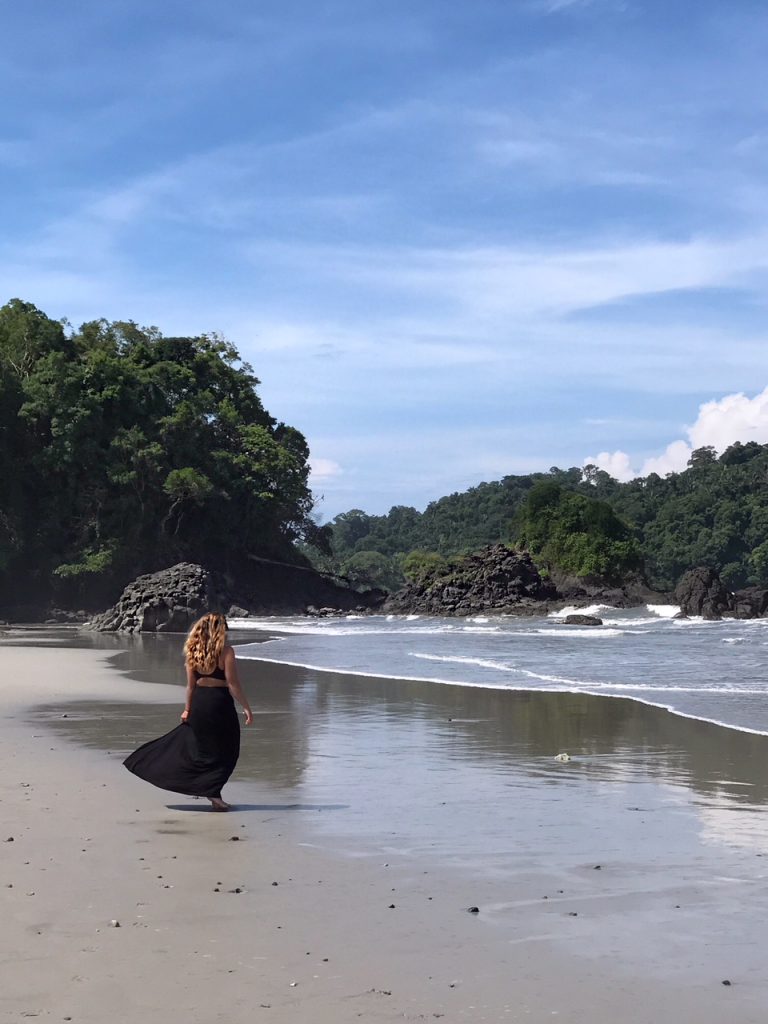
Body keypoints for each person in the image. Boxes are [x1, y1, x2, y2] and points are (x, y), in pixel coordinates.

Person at [124, 613, 253, 811]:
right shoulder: (226, 652)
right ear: (219, 631)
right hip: (219, 703)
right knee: (228, 748)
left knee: (203, 749)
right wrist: (246, 707)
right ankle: (213, 792)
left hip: (200, 703)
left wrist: (187, 709)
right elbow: (233, 683)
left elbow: (190, 686)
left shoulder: (193, 652)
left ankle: (212, 792)